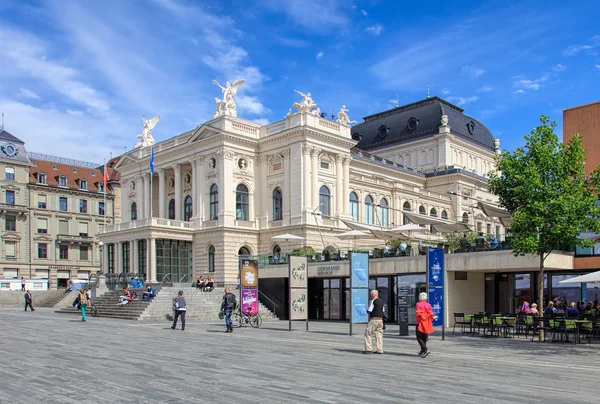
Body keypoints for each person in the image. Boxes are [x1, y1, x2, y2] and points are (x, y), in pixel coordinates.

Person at [363, 289, 384, 354]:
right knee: (379, 335)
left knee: (368, 333)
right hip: (380, 320)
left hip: (374, 319)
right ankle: (380, 349)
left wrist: (366, 311)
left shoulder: (373, 301)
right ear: (377, 294)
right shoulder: (381, 301)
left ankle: (368, 349)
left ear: (372, 295)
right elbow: (383, 311)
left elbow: (369, 310)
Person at [416, 292, 434, 358]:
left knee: (419, 337)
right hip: (427, 323)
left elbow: (418, 314)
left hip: (420, 322)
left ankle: (425, 349)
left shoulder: (418, 304)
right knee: (424, 337)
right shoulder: (429, 305)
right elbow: (431, 315)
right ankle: (422, 351)